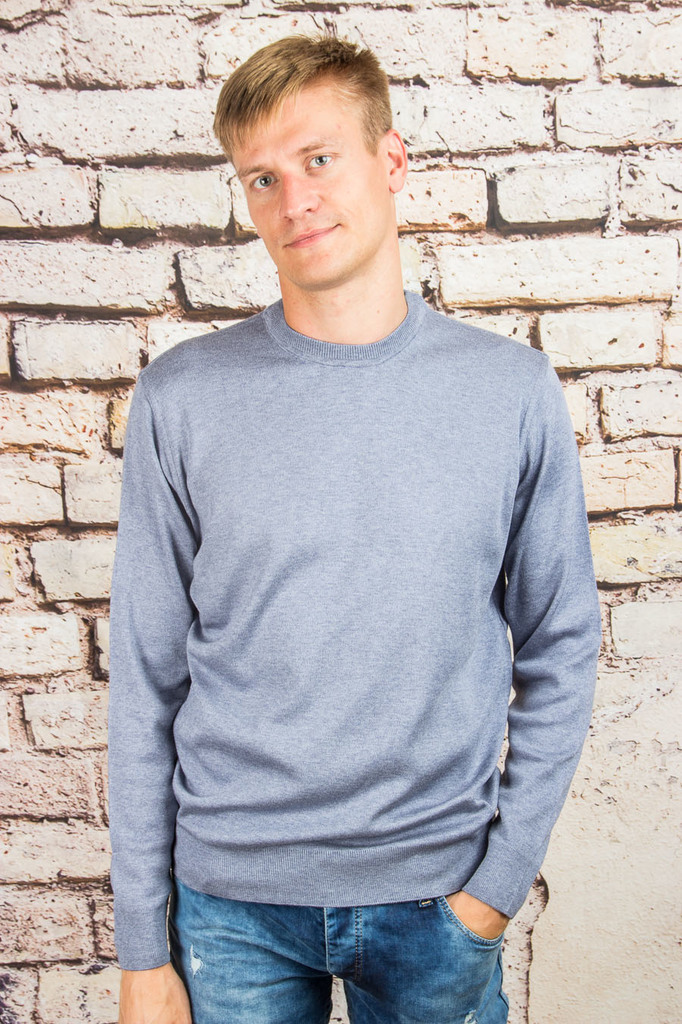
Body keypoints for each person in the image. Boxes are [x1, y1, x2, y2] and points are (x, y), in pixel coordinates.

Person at [107, 31, 603, 1024]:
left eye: (319, 159)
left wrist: (496, 886)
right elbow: (145, 679)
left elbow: (562, 643)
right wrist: (140, 952)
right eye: (262, 178)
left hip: (439, 897)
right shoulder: (181, 398)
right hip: (230, 908)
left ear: (392, 161)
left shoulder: (509, 390)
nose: (294, 200)